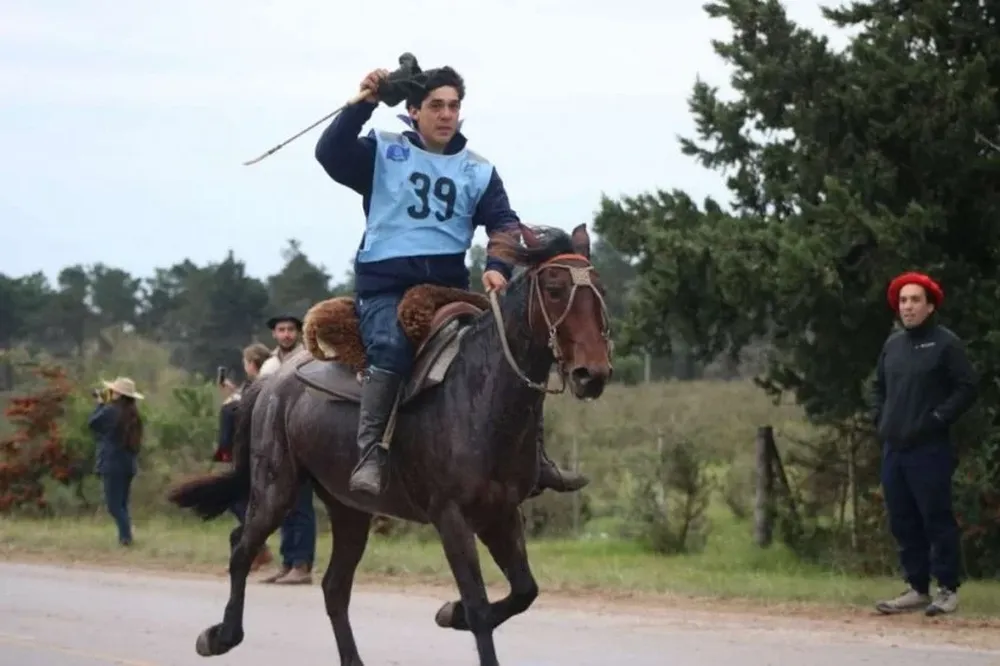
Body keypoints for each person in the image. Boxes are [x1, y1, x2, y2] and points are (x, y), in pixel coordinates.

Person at [313, 63, 588, 497]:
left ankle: (535, 456)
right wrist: (363, 104)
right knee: (391, 345)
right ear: (413, 110)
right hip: (385, 288)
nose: (446, 115)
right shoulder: (382, 151)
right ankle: (371, 454)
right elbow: (330, 154)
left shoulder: (478, 170)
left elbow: (503, 222)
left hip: (448, 291)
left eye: (453, 106)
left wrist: (498, 266)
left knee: (513, 347)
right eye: (436, 105)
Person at [872, 272, 978, 617]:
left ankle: (947, 589)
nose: (908, 307)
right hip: (894, 447)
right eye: (903, 300)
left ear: (930, 306)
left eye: (915, 300)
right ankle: (917, 588)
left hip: (929, 448)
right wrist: (880, 419)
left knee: (936, 517)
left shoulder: (946, 344)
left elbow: (967, 387)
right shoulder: (892, 345)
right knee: (902, 519)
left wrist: (937, 418)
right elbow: (878, 387)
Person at [256, 314, 315, 585]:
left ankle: (302, 564)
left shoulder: (309, 359)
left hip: (301, 440)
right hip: (276, 443)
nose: (286, 334)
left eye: (291, 329)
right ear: (274, 334)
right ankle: (288, 562)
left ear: (298, 333)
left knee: (301, 504)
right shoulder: (269, 365)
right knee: (284, 505)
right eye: (281, 330)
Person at [214, 343, 274, 572]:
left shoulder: (260, 387)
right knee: (244, 504)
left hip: (246, 454)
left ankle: (258, 548)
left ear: (250, 364)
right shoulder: (266, 385)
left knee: (237, 501)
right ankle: (252, 553)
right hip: (256, 454)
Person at [88, 376, 144, 547]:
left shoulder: (111, 411)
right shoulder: (133, 413)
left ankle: (126, 538)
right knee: (122, 504)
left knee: (114, 506)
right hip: (128, 464)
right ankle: (126, 535)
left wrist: (100, 404)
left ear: (119, 394)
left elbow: (93, 423)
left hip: (112, 463)